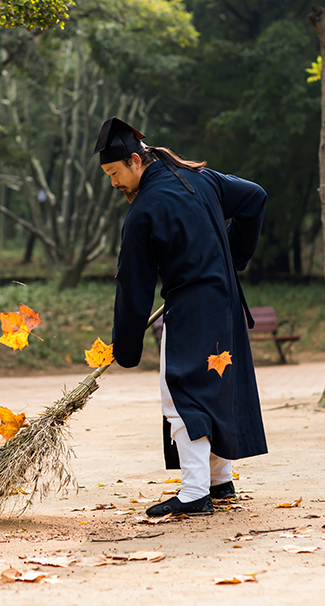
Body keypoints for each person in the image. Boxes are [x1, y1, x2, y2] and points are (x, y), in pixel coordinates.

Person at [94, 117, 268, 516]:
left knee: (182, 395)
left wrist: (126, 346)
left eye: (114, 172)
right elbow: (255, 197)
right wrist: (236, 255)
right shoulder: (202, 180)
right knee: (215, 385)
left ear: (136, 161)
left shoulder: (145, 210)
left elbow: (133, 286)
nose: (113, 182)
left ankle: (194, 493)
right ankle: (218, 481)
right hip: (225, 306)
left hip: (191, 312)